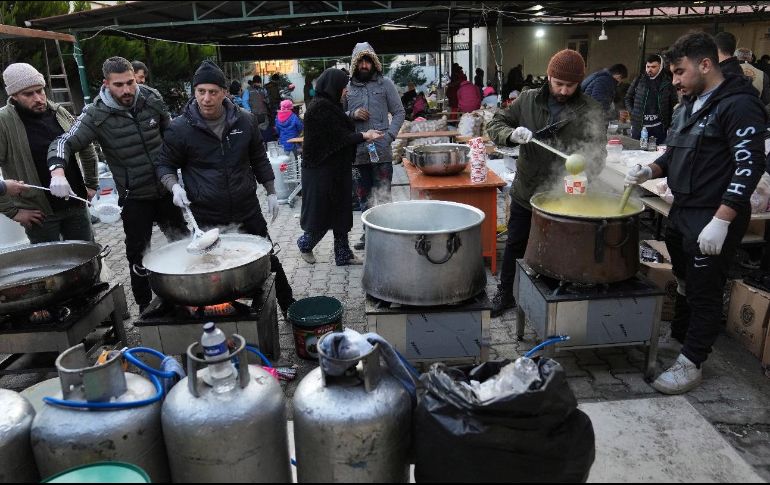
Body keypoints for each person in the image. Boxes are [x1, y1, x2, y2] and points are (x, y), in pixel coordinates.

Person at [625, 32, 767, 394]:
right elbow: (674, 155)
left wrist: (723, 219)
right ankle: (684, 337)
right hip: (682, 211)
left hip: (713, 215)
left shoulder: (739, 105)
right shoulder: (691, 103)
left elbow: (747, 167)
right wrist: (650, 171)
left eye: (678, 72)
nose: (674, 81)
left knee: (705, 290)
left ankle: (693, 362)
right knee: (685, 281)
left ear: (705, 64)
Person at [48, 56, 189, 312]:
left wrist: (182, 178)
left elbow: (172, 136)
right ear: (106, 84)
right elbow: (64, 141)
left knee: (183, 241)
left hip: (166, 189)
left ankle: (189, 294)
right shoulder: (95, 113)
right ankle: (146, 306)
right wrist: (57, 172)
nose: (127, 90)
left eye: (130, 83)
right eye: (119, 85)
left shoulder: (151, 97)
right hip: (134, 195)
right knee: (137, 253)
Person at [155, 60, 295, 317]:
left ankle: (290, 307)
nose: (206, 98)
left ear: (224, 93)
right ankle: (222, 315)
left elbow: (258, 158)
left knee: (267, 258)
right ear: (194, 92)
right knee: (212, 267)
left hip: (246, 207)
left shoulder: (245, 121)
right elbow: (164, 165)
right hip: (207, 213)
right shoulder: (180, 128)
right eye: (201, 92)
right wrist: (173, 187)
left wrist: (272, 191)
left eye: (213, 92)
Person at [486, 49, 607, 317]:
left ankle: (548, 298)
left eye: (570, 85)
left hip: (564, 196)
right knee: (516, 243)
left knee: (557, 249)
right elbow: (496, 124)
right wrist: (511, 134)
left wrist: (589, 171)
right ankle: (505, 293)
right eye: (558, 83)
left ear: (580, 82)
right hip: (527, 189)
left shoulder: (591, 109)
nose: (563, 91)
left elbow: (599, 152)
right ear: (549, 76)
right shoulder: (528, 100)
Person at [0, 63, 99, 243]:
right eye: (28, 94)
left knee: (87, 260)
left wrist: (91, 184)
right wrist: (13, 212)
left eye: (40, 90)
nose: (38, 98)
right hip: (40, 214)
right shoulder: (4, 122)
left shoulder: (57, 111)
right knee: (54, 267)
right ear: (13, 96)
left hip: (76, 204)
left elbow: (85, 144)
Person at [296, 68, 383, 266]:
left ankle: (343, 255)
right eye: (343, 87)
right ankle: (305, 244)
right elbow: (337, 139)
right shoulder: (319, 108)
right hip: (320, 171)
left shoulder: (331, 105)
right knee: (324, 213)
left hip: (336, 168)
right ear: (333, 86)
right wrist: (365, 135)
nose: (346, 91)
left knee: (341, 212)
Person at [345, 41, 405, 250]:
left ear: (374, 62)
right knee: (363, 195)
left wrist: (389, 137)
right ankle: (367, 233)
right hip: (358, 153)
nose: (364, 65)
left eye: (367, 60)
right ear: (354, 63)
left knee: (383, 195)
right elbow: (337, 116)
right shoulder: (347, 88)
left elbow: (399, 112)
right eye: (360, 61)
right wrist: (351, 114)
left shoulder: (385, 84)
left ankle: (385, 234)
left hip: (382, 152)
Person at [624, 54, 678, 143]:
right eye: (648, 66)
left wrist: (669, 123)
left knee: (657, 154)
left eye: (653, 67)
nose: (649, 69)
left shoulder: (667, 83)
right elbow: (628, 98)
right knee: (636, 154)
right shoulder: (639, 80)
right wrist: (632, 112)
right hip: (639, 126)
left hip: (659, 127)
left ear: (660, 67)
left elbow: (674, 103)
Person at [246, 75, 271, 140]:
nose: (259, 84)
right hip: (254, 114)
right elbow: (244, 101)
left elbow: (268, 99)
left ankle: (265, 145)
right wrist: (249, 110)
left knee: (264, 131)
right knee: (255, 132)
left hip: (263, 114)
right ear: (254, 82)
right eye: (257, 83)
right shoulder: (248, 90)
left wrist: (266, 100)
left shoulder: (263, 90)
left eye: (259, 83)